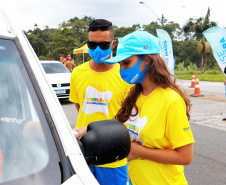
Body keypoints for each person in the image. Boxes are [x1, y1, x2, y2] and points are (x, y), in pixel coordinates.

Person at [105, 30, 195, 185]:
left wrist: (139, 152)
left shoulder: (170, 100)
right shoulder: (135, 95)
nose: (122, 69)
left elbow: (185, 157)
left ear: (146, 60)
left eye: (126, 63)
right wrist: (87, 130)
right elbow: (121, 127)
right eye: (120, 64)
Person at [69, 19, 131, 185]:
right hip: (84, 152)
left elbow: (128, 116)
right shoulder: (77, 73)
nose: (97, 50)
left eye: (103, 45)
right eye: (92, 44)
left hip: (113, 155)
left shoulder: (125, 74)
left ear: (113, 44)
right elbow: (80, 107)